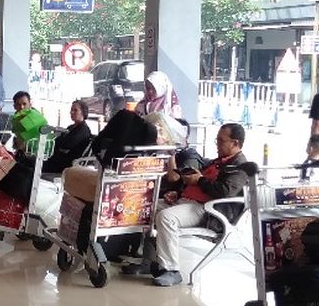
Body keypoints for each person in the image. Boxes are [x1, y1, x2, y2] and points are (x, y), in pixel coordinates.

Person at [125, 123, 250, 287]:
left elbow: (224, 191)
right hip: (190, 202)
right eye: (217, 140)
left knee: (166, 217)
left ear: (235, 143)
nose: (217, 144)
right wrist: (179, 192)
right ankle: (149, 261)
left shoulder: (240, 166)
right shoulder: (218, 161)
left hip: (208, 210)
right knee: (147, 208)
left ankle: (171, 270)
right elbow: (199, 183)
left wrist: (200, 180)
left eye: (221, 140)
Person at [41, 100, 94, 175]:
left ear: (83, 112)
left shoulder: (83, 129)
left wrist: (59, 140)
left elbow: (67, 144)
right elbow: (58, 141)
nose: (72, 112)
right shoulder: (71, 127)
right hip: (58, 158)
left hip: (67, 163)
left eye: (75, 110)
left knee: (35, 164)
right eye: (71, 110)